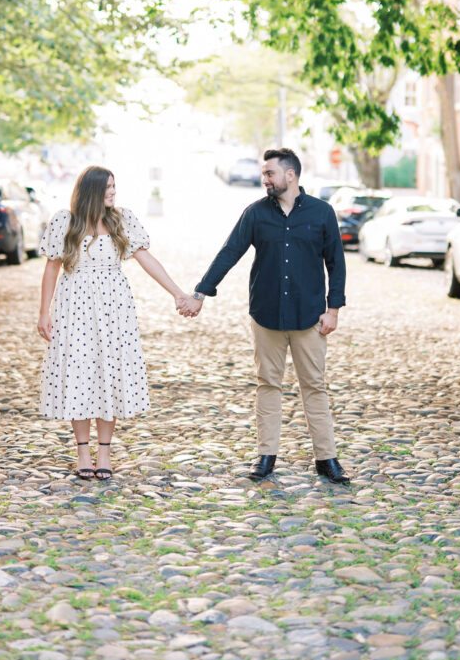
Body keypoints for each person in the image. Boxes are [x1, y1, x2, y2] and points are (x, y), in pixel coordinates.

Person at [179, 148, 349, 485]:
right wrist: (200, 292)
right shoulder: (255, 214)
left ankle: (326, 459)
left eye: (270, 173)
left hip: (310, 317)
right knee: (268, 385)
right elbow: (230, 253)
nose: (265, 179)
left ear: (290, 175)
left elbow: (337, 263)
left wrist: (333, 310)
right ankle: (266, 456)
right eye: (264, 173)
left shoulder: (322, 212)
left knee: (314, 386)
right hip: (266, 314)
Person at [36, 165, 191, 480]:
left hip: (114, 310)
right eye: (107, 187)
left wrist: (177, 292)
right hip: (73, 306)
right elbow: (52, 267)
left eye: (114, 186)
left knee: (109, 375)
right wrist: (44, 312)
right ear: (91, 190)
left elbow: (146, 259)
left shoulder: (121, 219)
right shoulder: (64, 221)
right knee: (78, 376)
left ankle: (104, 451)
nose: (113, 191)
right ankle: (82, 453)